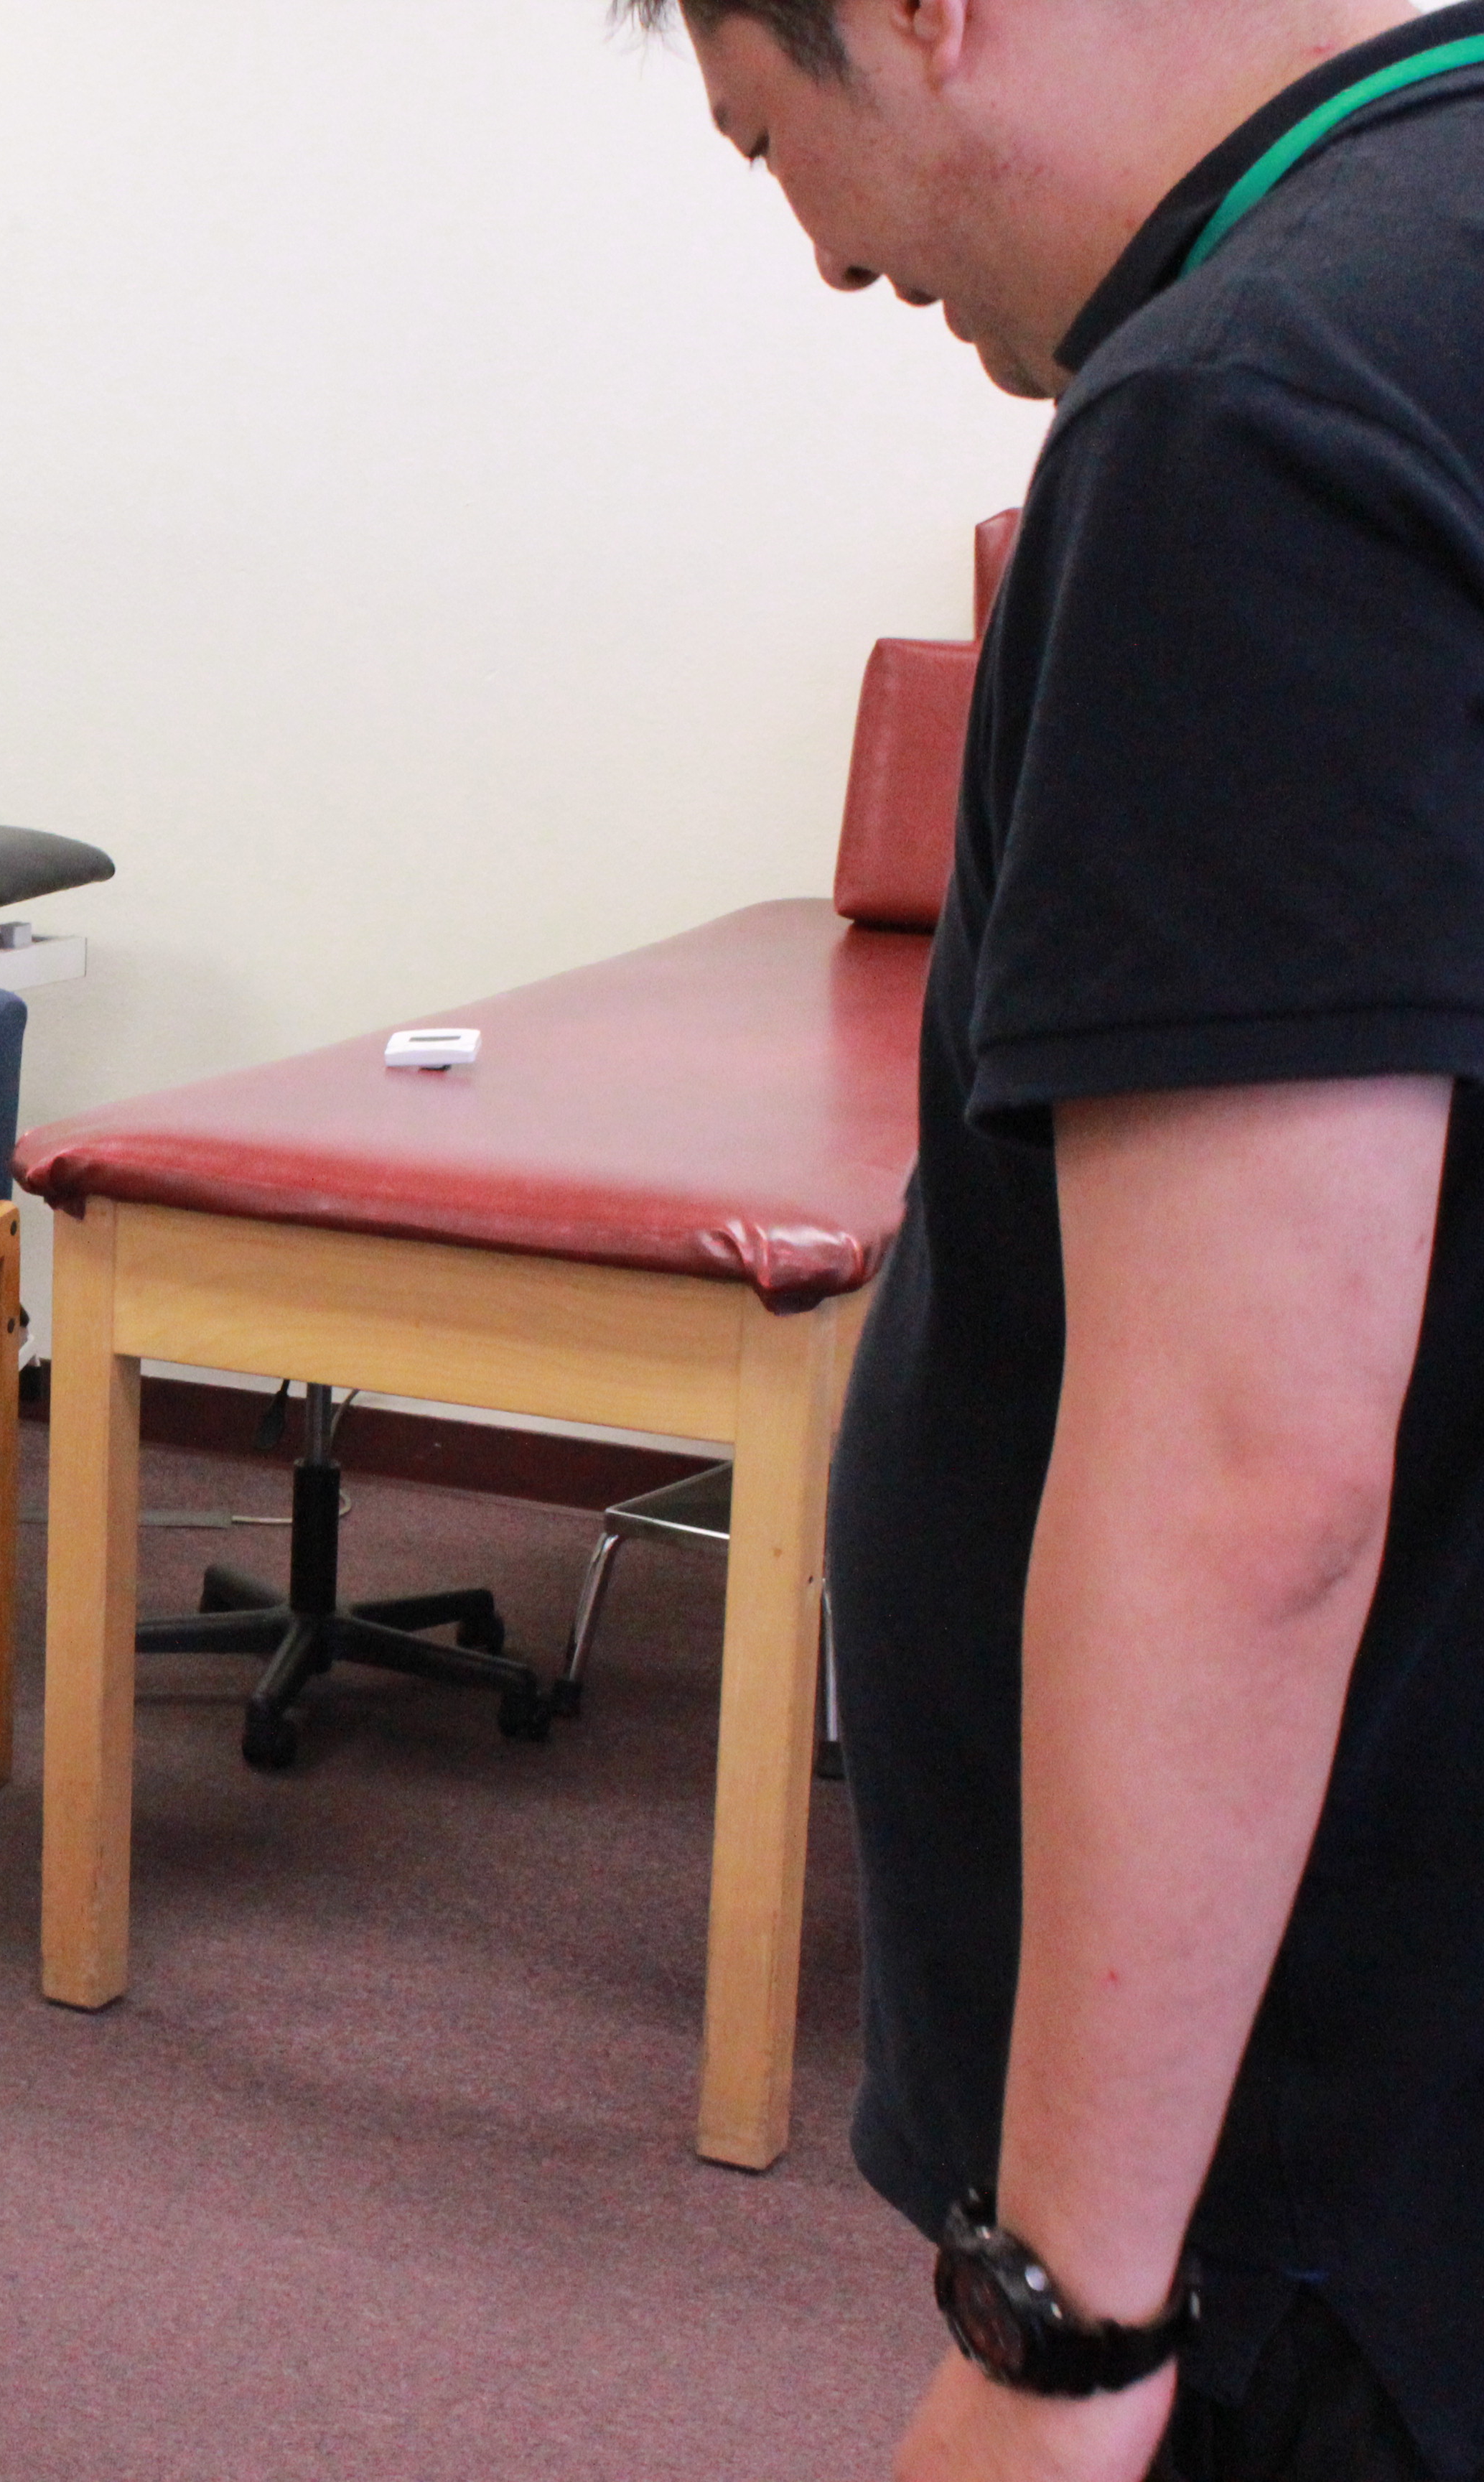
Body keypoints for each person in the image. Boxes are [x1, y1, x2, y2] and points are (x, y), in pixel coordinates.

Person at [630, 2, 1484, 2477]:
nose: (823, 254)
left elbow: (1247, 1467)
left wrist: (1065, 2330)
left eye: (770, 141)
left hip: (1313, 2164)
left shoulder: (1250, 414)